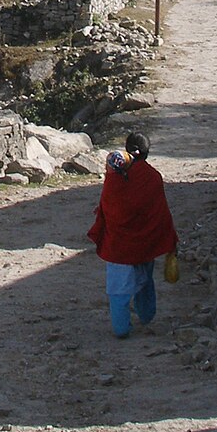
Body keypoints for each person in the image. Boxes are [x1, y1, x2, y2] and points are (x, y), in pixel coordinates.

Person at [87, 132, 177, 338]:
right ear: (147, 153)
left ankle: (121, 328)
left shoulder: (114, 177)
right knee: (144, 280)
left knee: (118, 289)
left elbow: (107, 207)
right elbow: (160, 212)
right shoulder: (153, 177)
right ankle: (146, 316)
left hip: (118, 245)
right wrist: (170, 239)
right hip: (145, 243)